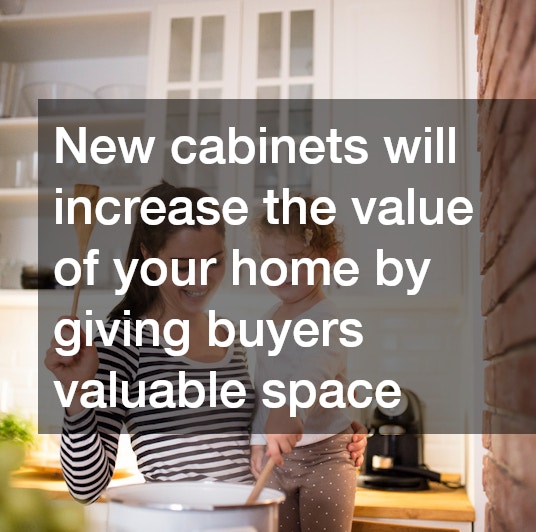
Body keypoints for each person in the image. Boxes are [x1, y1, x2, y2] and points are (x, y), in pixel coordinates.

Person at [44, 183, 365, 504]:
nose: (200, 279)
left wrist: (329, 429)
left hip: (250, 521)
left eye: (214, 261)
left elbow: (274, 414)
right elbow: (85, 487)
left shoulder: (230, 339)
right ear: (150, 257)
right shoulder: (123, 342)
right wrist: (76, 394)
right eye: (184, 265)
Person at [248, 195, 358, 531]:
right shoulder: (268, 319)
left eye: (294, 259)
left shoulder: (328, 318)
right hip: (277, 461)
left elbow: (315, 369)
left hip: (326, 458)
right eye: (269, 260)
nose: (279, 271)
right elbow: (263, 389)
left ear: (328, 258)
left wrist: (291, 409)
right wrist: (256, 441)